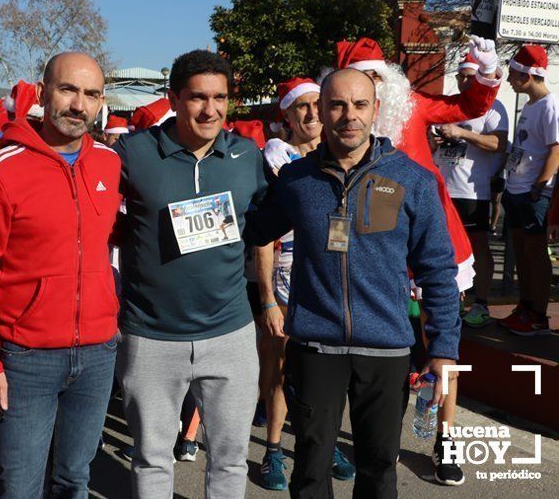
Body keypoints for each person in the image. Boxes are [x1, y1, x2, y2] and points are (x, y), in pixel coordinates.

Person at [248, 68, 460, 499]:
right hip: (315, 348)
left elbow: (437, 271)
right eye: (338, 105)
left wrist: (442, 349)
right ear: (322, 111)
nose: (349, 116)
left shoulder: (411, 179)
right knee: (310, 469)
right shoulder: (296, 180)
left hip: (386, 350)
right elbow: (251, 228)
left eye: (360, 105)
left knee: (379, 470)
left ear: (375, 110)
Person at [0, 52, 121, 498]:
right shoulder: (1, 168)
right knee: (21, 487)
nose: (79, 105)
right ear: (42, 91)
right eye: (69, 89)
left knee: (76, 480)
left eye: (91, 94)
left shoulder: (109, 163)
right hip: (26, 359)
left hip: (97, 354)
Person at [114, 50, 267, 498]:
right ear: (174, 99)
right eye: (198, 97)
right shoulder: (134, 152)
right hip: (151, 336)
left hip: (230, 334)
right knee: (151, 457)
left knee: (230, 458)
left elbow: (266, 223)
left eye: (220, 97)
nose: (211, 109)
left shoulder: (246, 154)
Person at [335, 36, 502, 291]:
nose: (373, 83)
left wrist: (488, 71)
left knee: (434, 296)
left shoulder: (412, 104)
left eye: (376, 75)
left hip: (420, 214)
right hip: (367, 220)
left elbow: (468, 106)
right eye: (364, 77)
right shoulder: (342, 118)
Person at [255, 77, 355, 490]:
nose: (312, 114)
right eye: (302, 107)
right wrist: (267, 302)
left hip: (330, 275)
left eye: (318, 105)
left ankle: (324, 442)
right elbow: (262, 239)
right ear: (288, 116)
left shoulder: (345, 157)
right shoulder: (275, 161)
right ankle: (274, 451)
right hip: (285, 274)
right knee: (278, 370)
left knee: (327, 373)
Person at [432, 54, 509, 327]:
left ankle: (481, 303)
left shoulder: (493, 107)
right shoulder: (450, 103)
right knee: (443, 248)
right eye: (460, 76)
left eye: (469, 76)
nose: (464, 81)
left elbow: (498, 144)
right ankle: (453, 301)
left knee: (478, 248)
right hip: (442, 188)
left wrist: (462, 133)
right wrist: (435, 139)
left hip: (472, 192)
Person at [500, 45, 558, 336]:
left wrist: (539, 188)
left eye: (513, 74)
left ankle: (538, 314)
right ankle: (524, 307)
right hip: (516, 189)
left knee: (536, 253)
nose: (509, 80)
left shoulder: (550, 106)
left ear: (528, 75)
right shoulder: (530, 106)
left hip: (533, 193)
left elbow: (556, 151)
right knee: (521, 250)